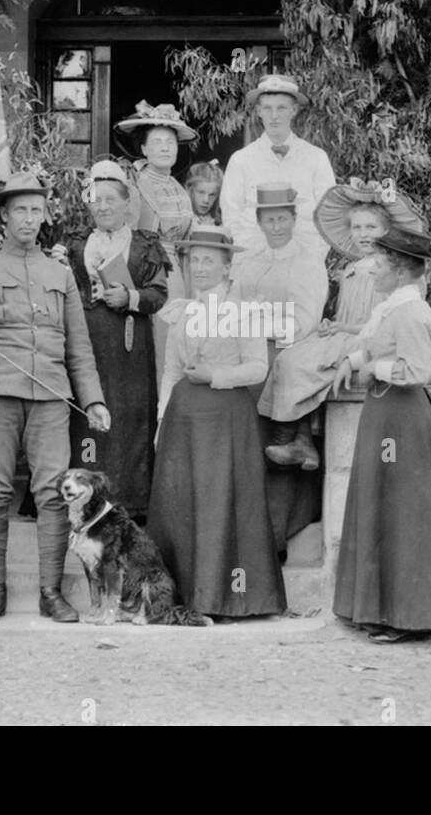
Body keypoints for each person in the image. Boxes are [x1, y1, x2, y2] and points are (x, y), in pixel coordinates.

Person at [0, 170, 111, 623]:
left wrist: (93, 399)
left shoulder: (59, 273)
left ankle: (50, 593)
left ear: (45, 216)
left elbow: (78, 346)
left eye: (36, 210)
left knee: (54, 493)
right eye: (19, 209)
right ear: (4, 214)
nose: (28, 218)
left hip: (51, 397)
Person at [330, 226, 431, 642]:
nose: (371, 271)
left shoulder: (414, 312)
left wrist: (369, 368)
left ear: (398, 271)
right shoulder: (392, 308)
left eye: (378, 265)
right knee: (383, 504)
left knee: (406, 511)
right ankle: (381, 609)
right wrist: (352, 358)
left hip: (403, 417)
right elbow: (379, 343)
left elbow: (414, 372)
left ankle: (410, 615)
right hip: (384, 414)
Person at [146, 227, 287, 617]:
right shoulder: (182, 313)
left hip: (227, 419)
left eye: (210, 260)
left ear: (228, 267)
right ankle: (185, 596)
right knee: (184, 504)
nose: (201, 267)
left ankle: (226, 598)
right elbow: (171, 372)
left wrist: (215, 376)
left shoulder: (243, 313)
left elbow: (258, 368)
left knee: (222, 503)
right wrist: (161, 423)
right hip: (184, 420)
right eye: (194, 260)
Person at [259, 182, 425, 469]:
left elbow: (387, 324)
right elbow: (345, 314)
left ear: (385, 231)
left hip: (373, 343)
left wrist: (344, 329)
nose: (363, 235)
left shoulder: (395, 272)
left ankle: (295, 438)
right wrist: (331, 325)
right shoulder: (350, 270)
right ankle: (298, 439)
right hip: (347, 336)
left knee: (301, 363)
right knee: (290, 356)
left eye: (371, 228)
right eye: (357, 228)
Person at [64, 160, 170, 520]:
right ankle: (85, 499)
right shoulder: (76, 244)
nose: (104, 206)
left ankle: (131, 498)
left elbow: (159, 294)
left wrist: (131, 298)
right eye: (96, 199)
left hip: (131, 346)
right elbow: (65, 294)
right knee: (88, 419)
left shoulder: (143, 245)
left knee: (130, 418)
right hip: (89, 345)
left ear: (127, 204)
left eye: (111, 199)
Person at [229, 182, 329, 547]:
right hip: (250, 363)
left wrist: (262, 321)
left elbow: (305, 320)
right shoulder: (250, 261)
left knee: (279, 447)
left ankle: (276, 538)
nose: (276, 226)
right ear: (259, 220)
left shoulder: (307, 262)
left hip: (285, 360)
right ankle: (247, 539)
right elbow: (233, 305)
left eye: (282, 219)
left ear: (293, 218)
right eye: (269, 219)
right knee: (251, 447)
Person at [114, 100, 197, 380]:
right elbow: (123, 236)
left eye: (170, 142)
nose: (165, 148)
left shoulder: (178, 188)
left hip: (182, 272)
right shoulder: (134, 184)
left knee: (182, 345)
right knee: (159, 348)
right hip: (150, 273)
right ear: (144, 148)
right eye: (157, 142)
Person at [220, 74, 336, 260]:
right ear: (258, 110)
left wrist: (314, 256)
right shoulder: (241, 160)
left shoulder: (316, 158)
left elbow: (328, 214)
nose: (274, 116)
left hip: (304, 261)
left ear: (294, 110)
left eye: (281, 108)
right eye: (267, 108)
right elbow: (231, 215)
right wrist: (248, 254)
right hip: (254, 262)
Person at [185, 160, 225, 227]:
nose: (206, 200)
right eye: (201, 192)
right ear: (190, 190)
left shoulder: (220, 223)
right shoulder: (179, 220)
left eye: (212, 195)